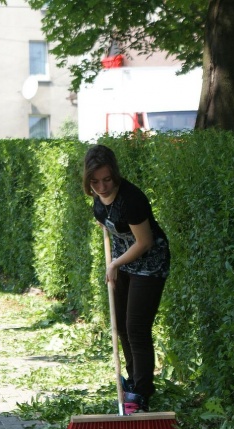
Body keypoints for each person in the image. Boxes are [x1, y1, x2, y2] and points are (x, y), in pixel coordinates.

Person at [82, 144, 170, 412]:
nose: (102, 187)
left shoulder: (132, 199)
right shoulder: (99, 196)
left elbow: (144, 242)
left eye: (107, 179)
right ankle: (133, 383)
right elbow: (106, 221)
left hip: (149, 262)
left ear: (115, 175)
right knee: (120, 325)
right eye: (95, 181)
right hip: (124, 262)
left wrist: (115, 264)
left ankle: (142, 393)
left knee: (136, 328)